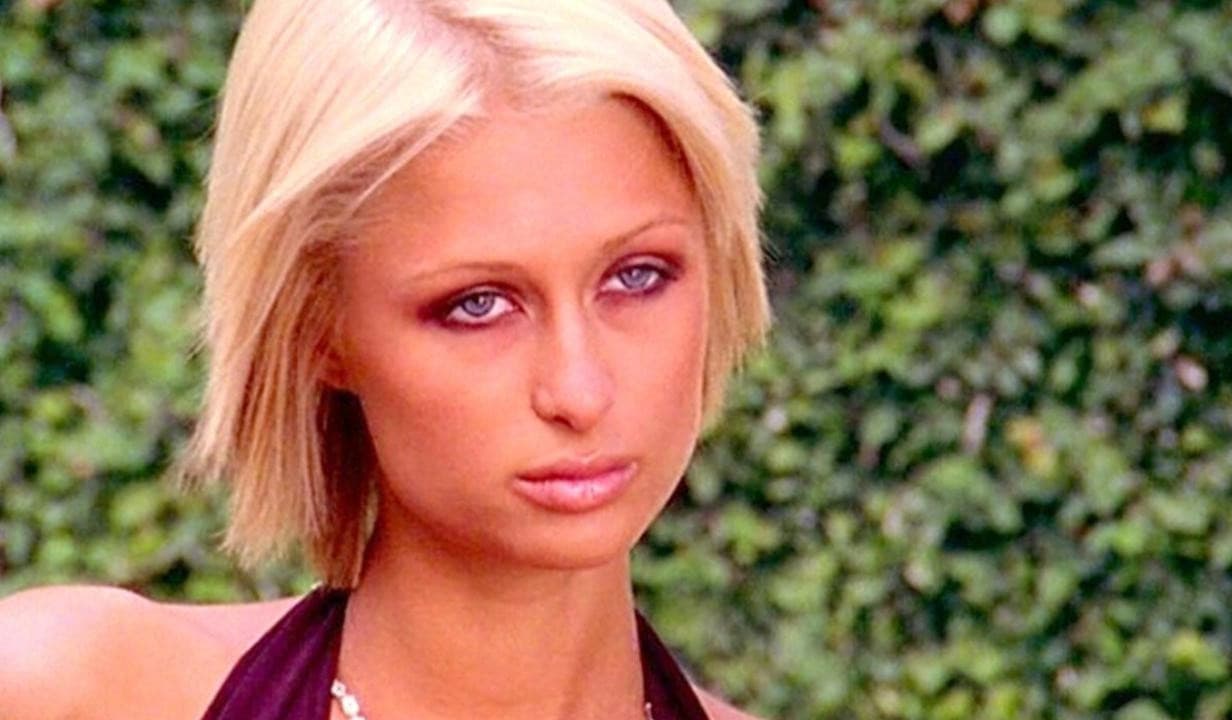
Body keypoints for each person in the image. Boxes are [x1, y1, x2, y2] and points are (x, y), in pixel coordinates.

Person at [0, 0, 771, 717]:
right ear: (318, 328)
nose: (580, 389)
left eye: (637, 277)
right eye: (478, 304)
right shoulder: (73, 690)